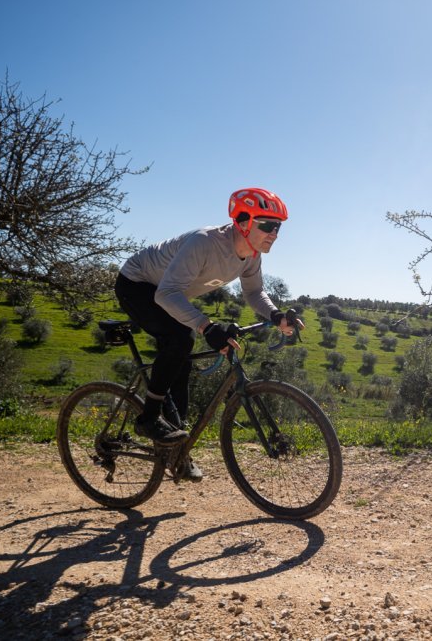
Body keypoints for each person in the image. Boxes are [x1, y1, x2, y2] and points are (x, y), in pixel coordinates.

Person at [114, 187, 302, 481]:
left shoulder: (251, 255)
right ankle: (148, 419)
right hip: (137, 284)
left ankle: (178, 448)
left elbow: (253, 292)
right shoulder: (205, 243)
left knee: (182, 361)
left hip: (168, 291)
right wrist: (207, 326)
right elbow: (165, 294)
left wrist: (276, 316)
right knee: (181, 339)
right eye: (267, 225)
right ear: (243, 222)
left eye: (278, 227)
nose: (274, 233)